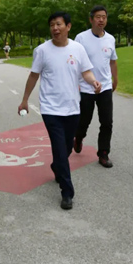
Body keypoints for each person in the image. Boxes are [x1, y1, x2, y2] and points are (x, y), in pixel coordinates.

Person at [18, 12, 101, 210]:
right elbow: (33, 76)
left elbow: (86, 71)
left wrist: (93, 82)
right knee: (59, 149)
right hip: (50, 109)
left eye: (58, 24)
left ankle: (57, 166)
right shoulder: (42, 51)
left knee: (66, 147)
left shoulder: (77, 48)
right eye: (52, 25)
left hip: (72, 107)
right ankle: (67, 193)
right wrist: (25, 100)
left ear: (68, 26)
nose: (55, 28)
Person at [73, 5, 118, 168]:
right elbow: (75, 62)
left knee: (107, 122)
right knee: (84, 120)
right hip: (86, 88)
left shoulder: (110, 39)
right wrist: (75, 84)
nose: (101, 20)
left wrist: (115, 79)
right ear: (91, 19)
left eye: (104, 17)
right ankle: (78, 137)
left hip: (105, 87)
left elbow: (112, 61)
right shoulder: (81, 38)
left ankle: (103, 153)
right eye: (98, 17)